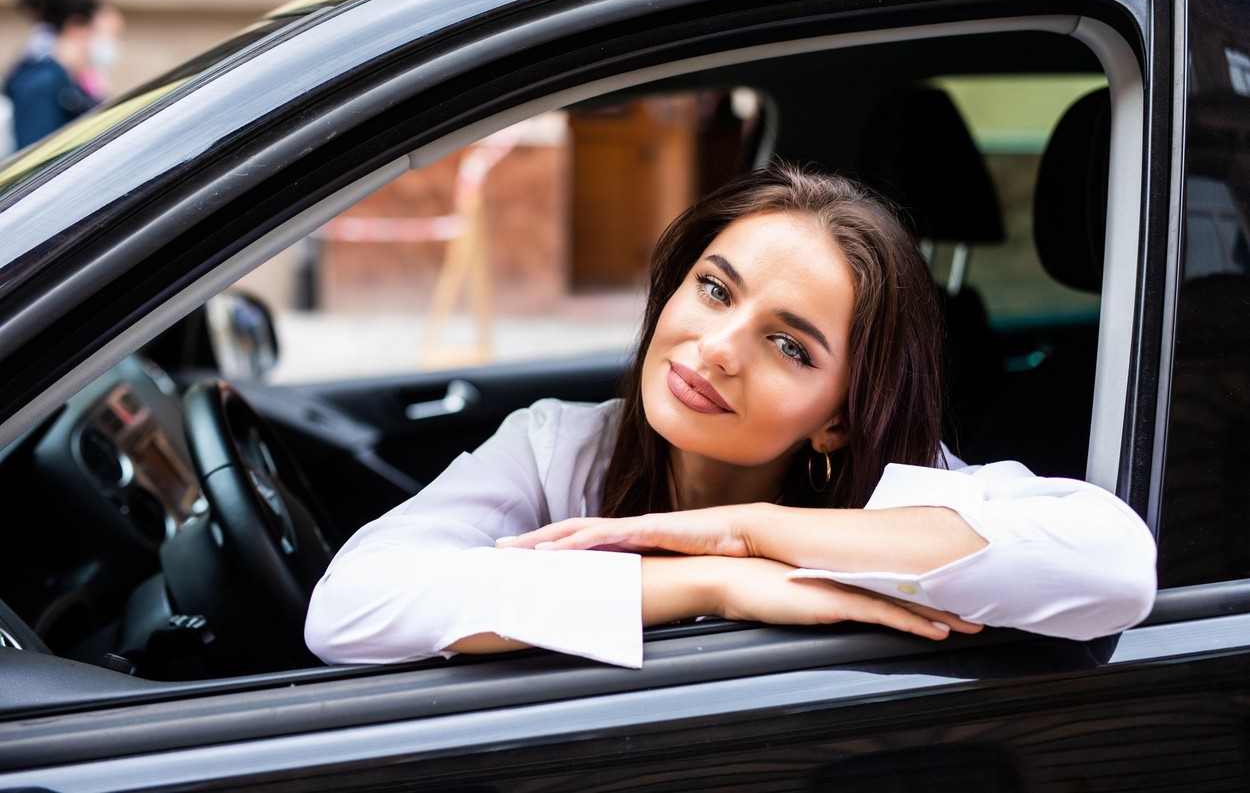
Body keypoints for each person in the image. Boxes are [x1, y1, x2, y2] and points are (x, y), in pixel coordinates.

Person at [305, 165, 1157, 669]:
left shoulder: (892, 502)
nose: (715, 347)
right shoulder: (562, 445)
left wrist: (750, 531)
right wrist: (701, 582)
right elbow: (350, 606)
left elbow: (1116, 566)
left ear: (837, 421)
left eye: (790, 347)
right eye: (714, 288)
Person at [4, 0, 106, 150]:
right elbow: (36, 160)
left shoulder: (63, 79)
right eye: (96, 33)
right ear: (77, 26)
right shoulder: (44, 82)